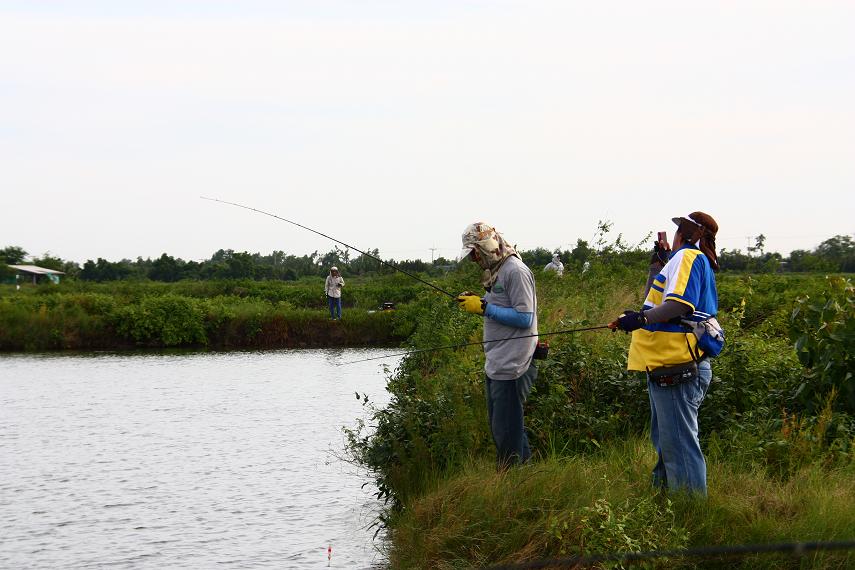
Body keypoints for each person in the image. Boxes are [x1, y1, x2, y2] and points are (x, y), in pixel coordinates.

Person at [610, 211, 720, 495]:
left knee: (679, 445)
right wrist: (656, 267)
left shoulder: (688, 257)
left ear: (683, 233)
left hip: (677, 363)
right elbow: (651, 304)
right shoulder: (680, 261)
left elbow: (679, 306)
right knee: (668, 442)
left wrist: (642, 320)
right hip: (668, 363)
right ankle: (663, 499)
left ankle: (690, 513)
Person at [457, 222, 539, 469]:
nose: (473, 260)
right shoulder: (497, 271)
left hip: (514, 363)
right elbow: (502, 307)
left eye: (474, 253)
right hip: (497, 362)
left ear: (485, 247)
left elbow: (525, 318)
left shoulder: (515, 271)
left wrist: (484, 308)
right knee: (503, 426)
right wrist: (480, 301)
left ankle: (510, 481)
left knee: (506, 431)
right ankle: (525, 476)